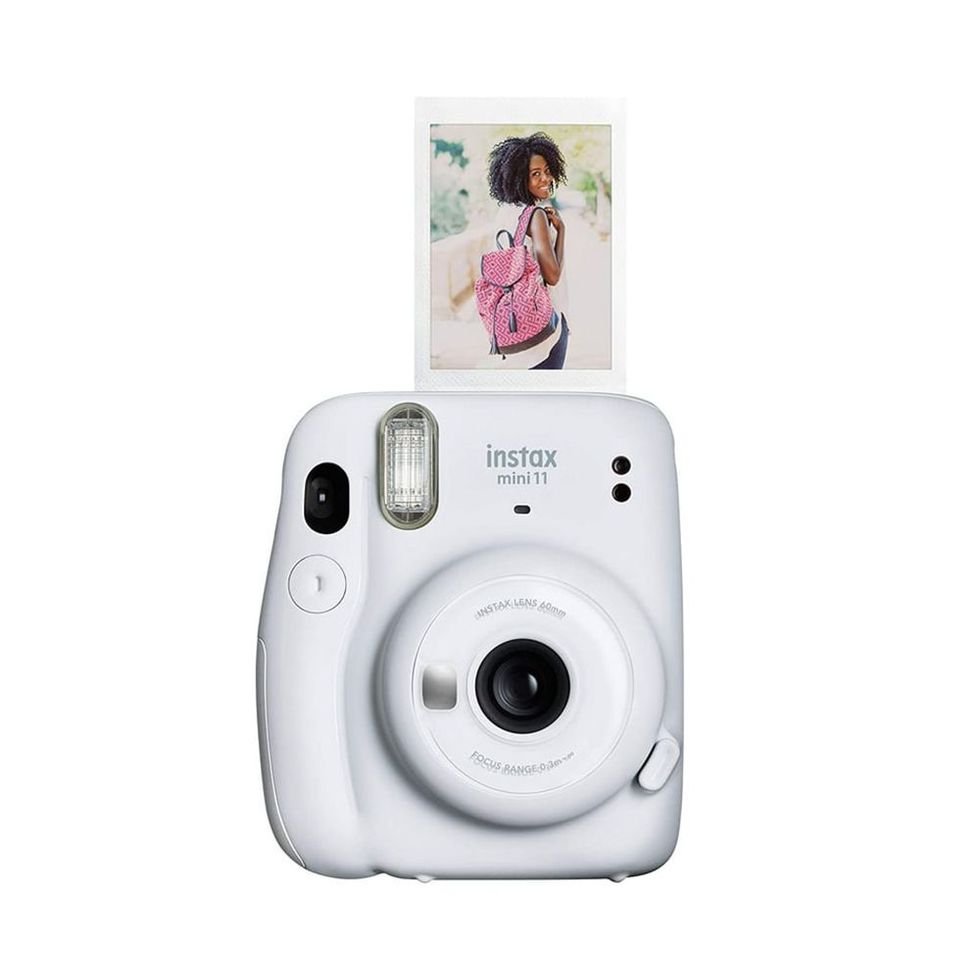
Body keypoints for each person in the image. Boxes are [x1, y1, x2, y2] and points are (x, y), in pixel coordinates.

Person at [486, 132, 570, 370]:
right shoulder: (536, 216)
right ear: (518, 178)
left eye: (547, 171)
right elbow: (553, 276)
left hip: (515, 329)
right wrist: (561, 231)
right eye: (535, 174)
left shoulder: (504, 212)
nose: (546, 179)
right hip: (545, 329)